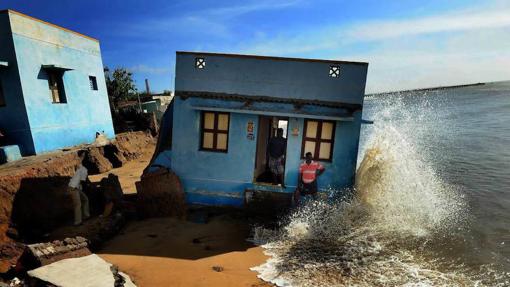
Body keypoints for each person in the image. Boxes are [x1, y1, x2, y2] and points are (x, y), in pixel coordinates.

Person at [68, 150, 90, 225]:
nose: (84, 156)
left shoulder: (79, 163)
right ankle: (77, 222)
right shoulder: (79, 165)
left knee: (85, 199)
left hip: (76, 187)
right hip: (73, 188)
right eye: (83, 155)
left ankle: (86, 216)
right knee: (78, 204)